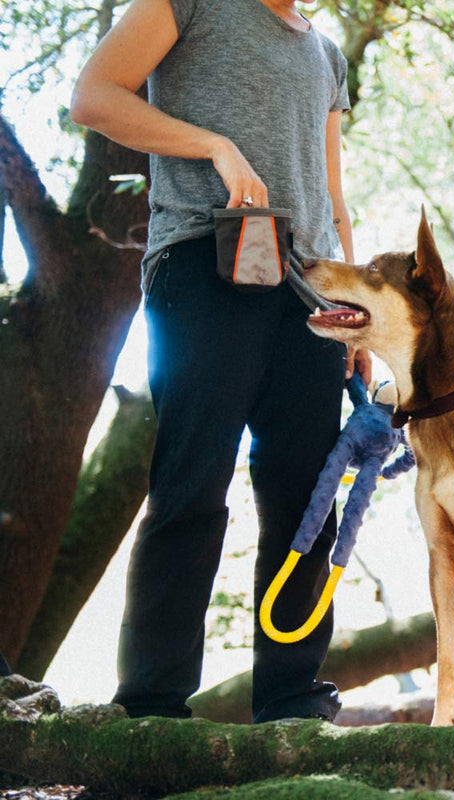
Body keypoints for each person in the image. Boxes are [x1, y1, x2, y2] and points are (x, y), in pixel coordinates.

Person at [70, 0, 371, 723]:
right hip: (202, 265)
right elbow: (93, 97)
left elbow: (331, 197)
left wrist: (358, 315)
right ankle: (153, 707)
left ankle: (292, 702)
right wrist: (214, 145)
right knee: (191, 483)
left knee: (308, 501)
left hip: (308, 294)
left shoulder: (327, 56)